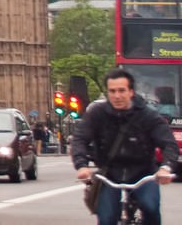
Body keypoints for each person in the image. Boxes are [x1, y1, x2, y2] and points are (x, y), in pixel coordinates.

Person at [72, 67, 180, 225]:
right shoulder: (97, 113)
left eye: (121, 90)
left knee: (150, 208)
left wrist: (166, 168)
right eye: (112, 91)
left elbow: (169, 143)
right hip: (109, 174)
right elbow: (80, 138)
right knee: (106, 218)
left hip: (143, 173)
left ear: (131, 92)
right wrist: (81, 165)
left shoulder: (148, 116)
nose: (117, 96)